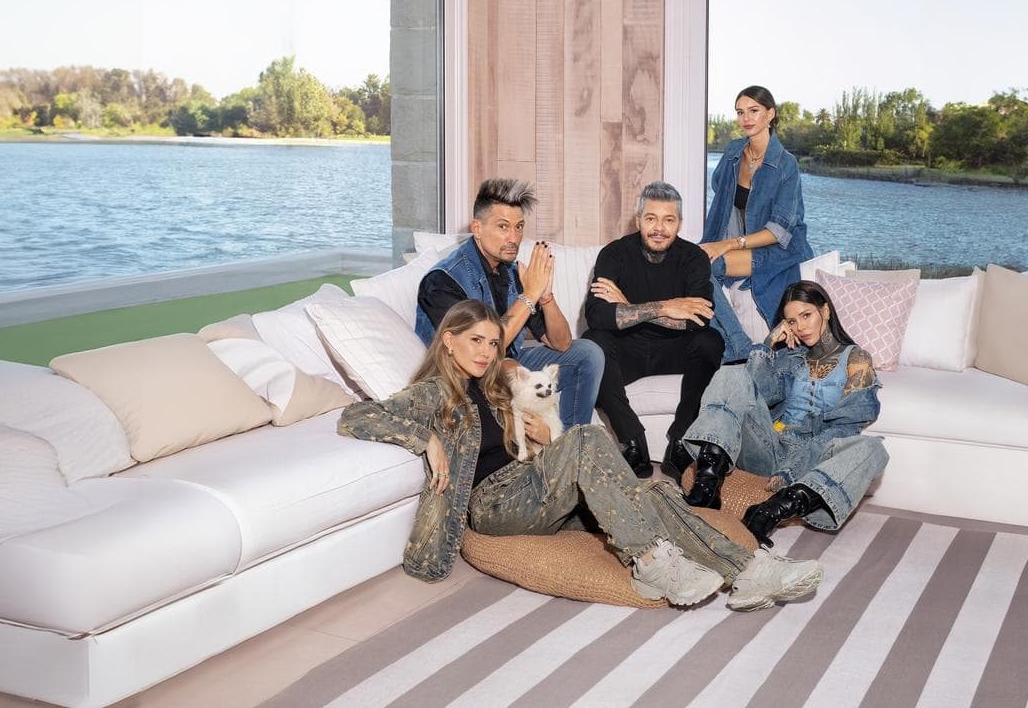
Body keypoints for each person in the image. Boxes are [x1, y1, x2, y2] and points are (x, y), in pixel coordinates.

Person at [341, 299, 824, 611]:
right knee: (588, 437)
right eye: (475, 341)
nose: (486, 351)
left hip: (534, 487)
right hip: (493, 504)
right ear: (448, 340)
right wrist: (426, 440)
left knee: (650, 493)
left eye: (492, 342)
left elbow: (530, 445)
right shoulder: (434, 392)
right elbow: (356, 416)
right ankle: (651, 562)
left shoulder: (493, 388)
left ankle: (749, 570)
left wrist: (542, 441)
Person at [679, 281, 890, 547]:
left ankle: (767, 513)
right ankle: (708, 483)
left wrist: (792, 471)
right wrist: (769, 344)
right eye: (792, 321)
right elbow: (755, 393)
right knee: (731, 374)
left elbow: (846, 427)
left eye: (806, 315)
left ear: (825, 311)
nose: (800, 327)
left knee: (873, 448)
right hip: (770, 446)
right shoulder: (790, 356)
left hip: (813, 456)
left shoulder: (856, 358)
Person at [416, 177, 605, 428]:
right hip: (464, 376)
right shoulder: (443, 280)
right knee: (510, 369)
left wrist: (545, 296)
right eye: (503, 227)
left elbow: (561, 343)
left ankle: (571, 442)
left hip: (506, 365)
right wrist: (529, 295)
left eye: (519, 227)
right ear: (477, 228)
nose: (514, 238)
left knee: (588, 353)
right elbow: (480, 350)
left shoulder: (512, 272)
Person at [582, 181, 723, 479]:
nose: (659, 228)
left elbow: (699, 320)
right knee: (593, 342)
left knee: (710, 341)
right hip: (627, 351)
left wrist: (628, 306)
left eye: (668, 220)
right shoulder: (614, 254)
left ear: (679, 224)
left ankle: (680, 443)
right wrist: (665, 307)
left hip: (674, 351)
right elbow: (597, 316)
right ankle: (633, 442)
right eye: (651, 218)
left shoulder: (694, 258)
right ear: (638, 220)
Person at [701, 85, 814, 362]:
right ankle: (732, 347)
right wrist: (720, 239)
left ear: (770, 114)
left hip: (779, 248)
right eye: (740, 112)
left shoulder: (786, 164)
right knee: (689, 266)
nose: (746, 118)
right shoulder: (733, 152)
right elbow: (720, 189)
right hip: (746, 243)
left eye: (753, 110)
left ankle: (738, 344)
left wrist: (728, 244)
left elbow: (778, 230)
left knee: (705, 267)